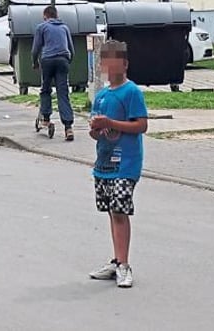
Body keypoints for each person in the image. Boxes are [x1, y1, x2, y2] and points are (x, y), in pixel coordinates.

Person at [88, 40, 148, 289]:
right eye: (106, 61)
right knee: (112, 211)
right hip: (104, 163)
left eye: (117, 61)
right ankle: (116, 260)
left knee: (121, 211)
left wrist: (111, 123)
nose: (111, 67)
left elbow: (141, 125)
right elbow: (95, 132)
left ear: (124, 64)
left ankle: (124, 265)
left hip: (126, 163)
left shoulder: (131, 92)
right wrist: (97, 129)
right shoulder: (101, 96)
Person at [32, 5, 76, 142]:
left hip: (48, 60)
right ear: (56, 15)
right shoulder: (64, 28)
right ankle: (68, 127)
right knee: (63, 92)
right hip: (63, 60)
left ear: (45, 16)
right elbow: (71, 49)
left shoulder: (42, 27)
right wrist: (68, 61)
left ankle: (45, 118)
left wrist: (35, 62)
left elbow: (36, 48)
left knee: (46, 89)